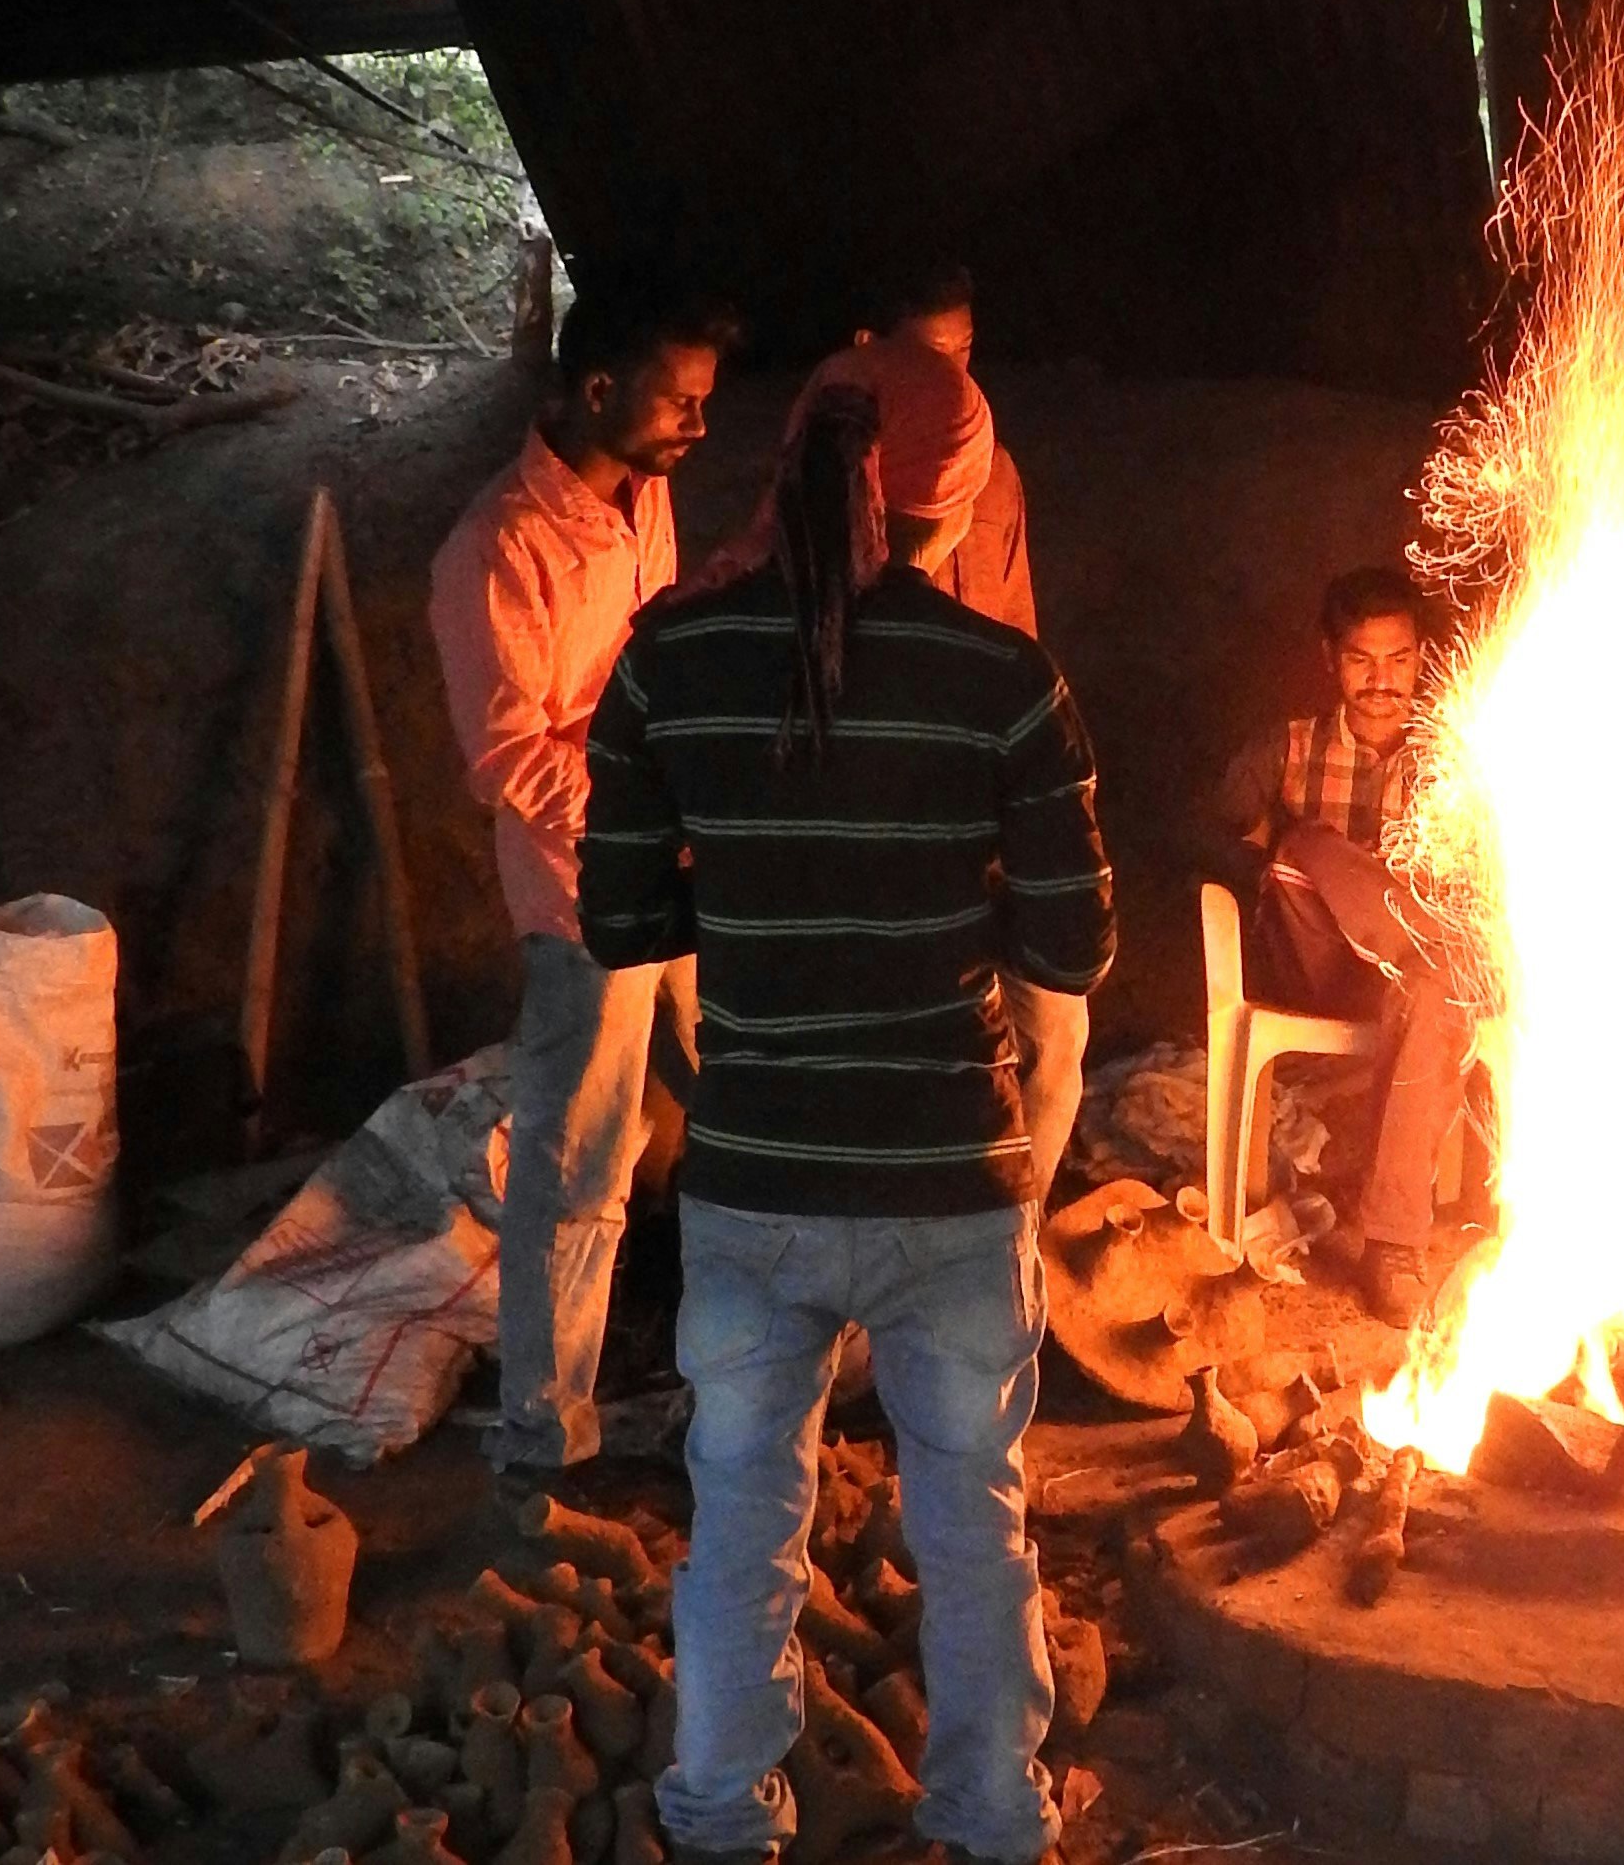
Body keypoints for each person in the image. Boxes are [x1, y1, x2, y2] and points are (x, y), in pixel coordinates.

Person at [583, 362, 1112, 1865]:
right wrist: (948, 895)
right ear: (954, 502)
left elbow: (619, 921)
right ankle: (997, 1818)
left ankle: (715, 1818)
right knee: (970, 1523)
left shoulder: (663, 663)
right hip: (951, 1184)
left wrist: (757, 881)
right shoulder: (1004, 683)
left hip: (754, 1185)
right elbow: (1073, 950)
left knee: (742, 1516)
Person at [430, 286, 736, 1489]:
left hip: (681, 870)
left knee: (745, 1105)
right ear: (597, 387)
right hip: (588, 900)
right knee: (579, 1168)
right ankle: (544, 1438)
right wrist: (641, 818)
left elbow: (652, 650)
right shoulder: (495, 550)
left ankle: (746, 1374)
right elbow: (506, 759)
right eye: (681, 399)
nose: (696, 427)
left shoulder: (641, 500)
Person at [1194, 564, 1477, 1329]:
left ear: (1422, 657)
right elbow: (1214, 841)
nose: (1381, 680)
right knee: (1307, 848)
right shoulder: (1282, 750)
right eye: (1361, 659)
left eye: (1398, 659)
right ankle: (1422, 948)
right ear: (1330, 658)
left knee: (1430, 991)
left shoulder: (1455, 758)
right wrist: (1286, 858)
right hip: (1315, 967)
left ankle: (1392, 1245)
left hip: (1409, 985)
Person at [851, 264, 1037, 635]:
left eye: (964, 349)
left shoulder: (993, 469)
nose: (956, 376)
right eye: (932, 354)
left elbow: (1018, 621)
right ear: (870, 348)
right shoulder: (845, 470)